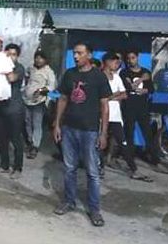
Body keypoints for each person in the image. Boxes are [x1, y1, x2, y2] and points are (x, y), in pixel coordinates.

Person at [53, 41, 111, 227]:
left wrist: (103, 133)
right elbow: (62, 100)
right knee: (69, 168)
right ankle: (69, 201)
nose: (75, 56)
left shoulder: (99, 77)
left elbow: (104, 106)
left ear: (89, 55)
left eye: (79, 53)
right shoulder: (69, 74)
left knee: (92, 172)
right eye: (74, 53)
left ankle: (94, 209)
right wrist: (57, 124)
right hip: (69, 129)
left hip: (90, 131)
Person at [101, 52, 152, 182]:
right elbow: (100, 97)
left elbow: (124, 95)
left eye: (118, 62)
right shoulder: (99, 77)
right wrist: (112, 96)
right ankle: (99, 168)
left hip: (116, 116)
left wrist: (109, 97)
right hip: (102, 115)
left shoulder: (117, 77)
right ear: (107, 62)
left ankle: (134, 170)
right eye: (114, 61)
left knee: (123, 143)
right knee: (100, 142)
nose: (116, 64)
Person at [120, 50, 163, 170]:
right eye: (128, 58)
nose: (130, 60)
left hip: (143, 107)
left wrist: (145, 89)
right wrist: (141, 80)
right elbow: (129, 87)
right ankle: (130, 159)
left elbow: (151, 89)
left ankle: (154, 159)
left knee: (148, 133)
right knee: (129, 132)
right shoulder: (124, 72)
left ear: (137, 57)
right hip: (129, 107)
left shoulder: (146, 72)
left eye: (133, 57)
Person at [0, 43, 26, 180]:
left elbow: (12, 78)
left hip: (15, 109)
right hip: (1, 108)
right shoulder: (1, 67)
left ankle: (18, 168)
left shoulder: (19, 68)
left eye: (13, 55)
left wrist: (4, 64)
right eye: (8, 54)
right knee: (2, 139)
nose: (10, 57)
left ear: (17, 56)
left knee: (16, 139)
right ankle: (4, 165)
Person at [23, 50, 56, 159]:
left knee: (36, 124)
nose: (38, 60)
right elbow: (26, 76)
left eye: (41, 58)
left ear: (45, 60)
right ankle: (30, 142)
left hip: (39, 101)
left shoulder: (48, 71)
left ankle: (35, 146)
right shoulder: (31, 68)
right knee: (28, 122)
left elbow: (52, 86)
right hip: (27, 100)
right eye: (36, 57)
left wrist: (41, 90)